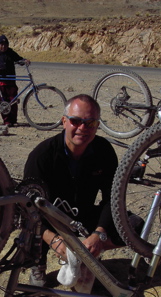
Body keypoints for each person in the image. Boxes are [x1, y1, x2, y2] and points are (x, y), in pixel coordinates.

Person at [23, 94, 141, 287]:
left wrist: (99, 235)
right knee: (30, 226)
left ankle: (88, 252)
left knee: (135, 226)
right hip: (50, 221)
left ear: (97, 125)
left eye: (90, 123)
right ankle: (38, 263)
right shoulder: (42, 156)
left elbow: (112, 198)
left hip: (82, 217)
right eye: (76, 121)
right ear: (64, 122)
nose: (82, 128)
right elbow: (26, 207)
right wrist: (54, 241)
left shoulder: (104, 150)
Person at [0, 35, 30, 127]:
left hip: (11, 80)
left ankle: (13, 120)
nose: (3, 46)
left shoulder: (11, 53)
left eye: (5, 44)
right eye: (1, 44)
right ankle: (6, 121)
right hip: (1, 81)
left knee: (13, 101)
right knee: (3, 101)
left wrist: (25, 60)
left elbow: (19, 59)